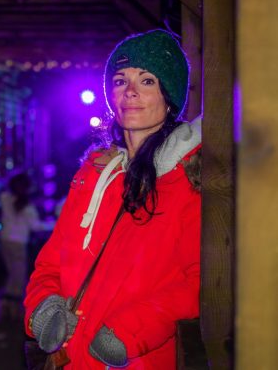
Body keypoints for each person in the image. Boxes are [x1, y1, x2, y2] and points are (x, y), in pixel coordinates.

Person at [24, 29, 201, 369]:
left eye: (147, 81)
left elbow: (199, 282)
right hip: (73, 359)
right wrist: (42, 307)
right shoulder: (93, 174)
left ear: (170, 97)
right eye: (120, 80)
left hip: (132, 359)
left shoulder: (188, 180)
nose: (131, 92)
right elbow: (50, 263)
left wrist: (131, 331)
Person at [0, 172, 55, 319]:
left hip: (5, 240)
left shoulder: (5, 199)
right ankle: (13, 309)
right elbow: (36, 227)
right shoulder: (28, 208)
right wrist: (55, 224)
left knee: (11, 273)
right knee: (18, 276)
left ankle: (6, 305)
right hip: (18, 243)